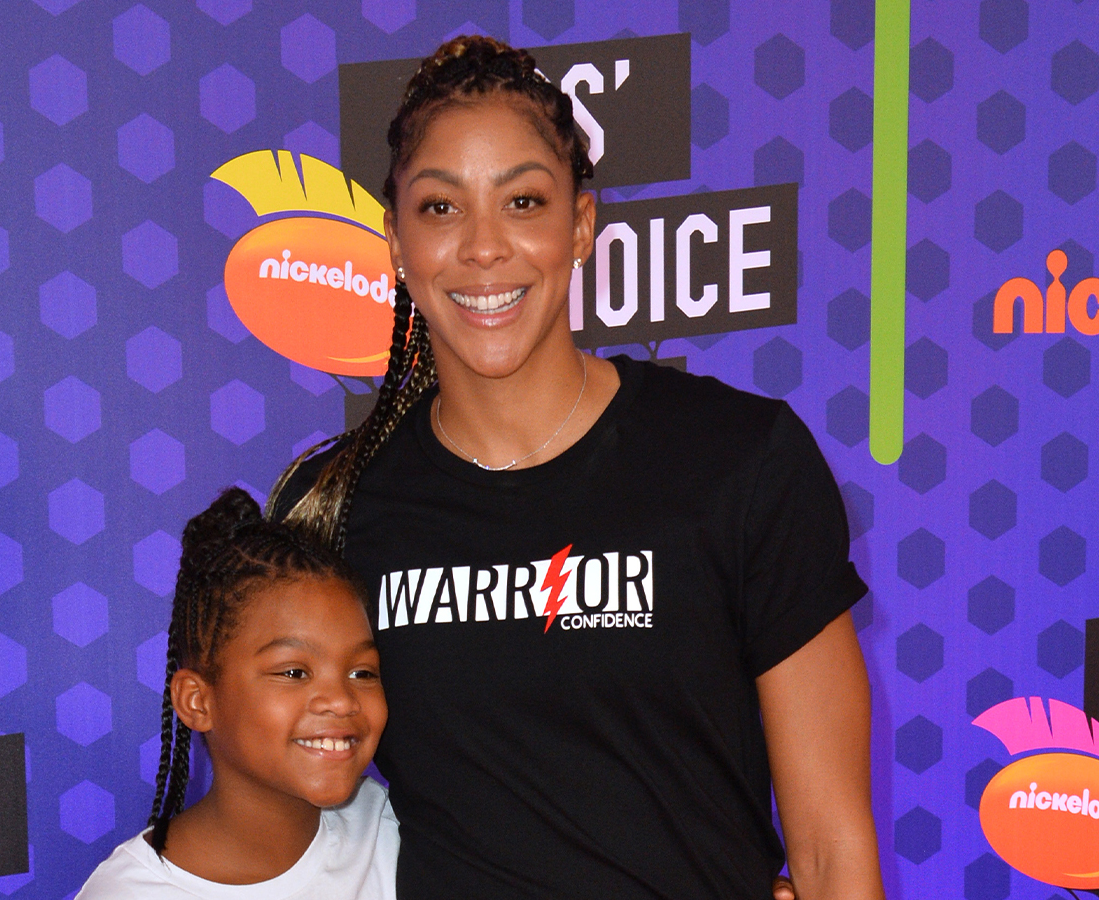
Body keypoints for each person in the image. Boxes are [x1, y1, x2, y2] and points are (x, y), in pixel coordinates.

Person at [269, 36, 884, 900]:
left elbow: (830, 845)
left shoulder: (739, 458)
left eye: (523, 201)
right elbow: (272, 795)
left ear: (582, 225)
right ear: (396, 242)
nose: (484, 248)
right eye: (441, 208)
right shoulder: (335, 507)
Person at [77, 488, 397, 899]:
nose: (341, 700)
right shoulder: (131, 892)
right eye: (294, 672)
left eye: (362, 672)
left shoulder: (393, 832)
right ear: (197, 701)